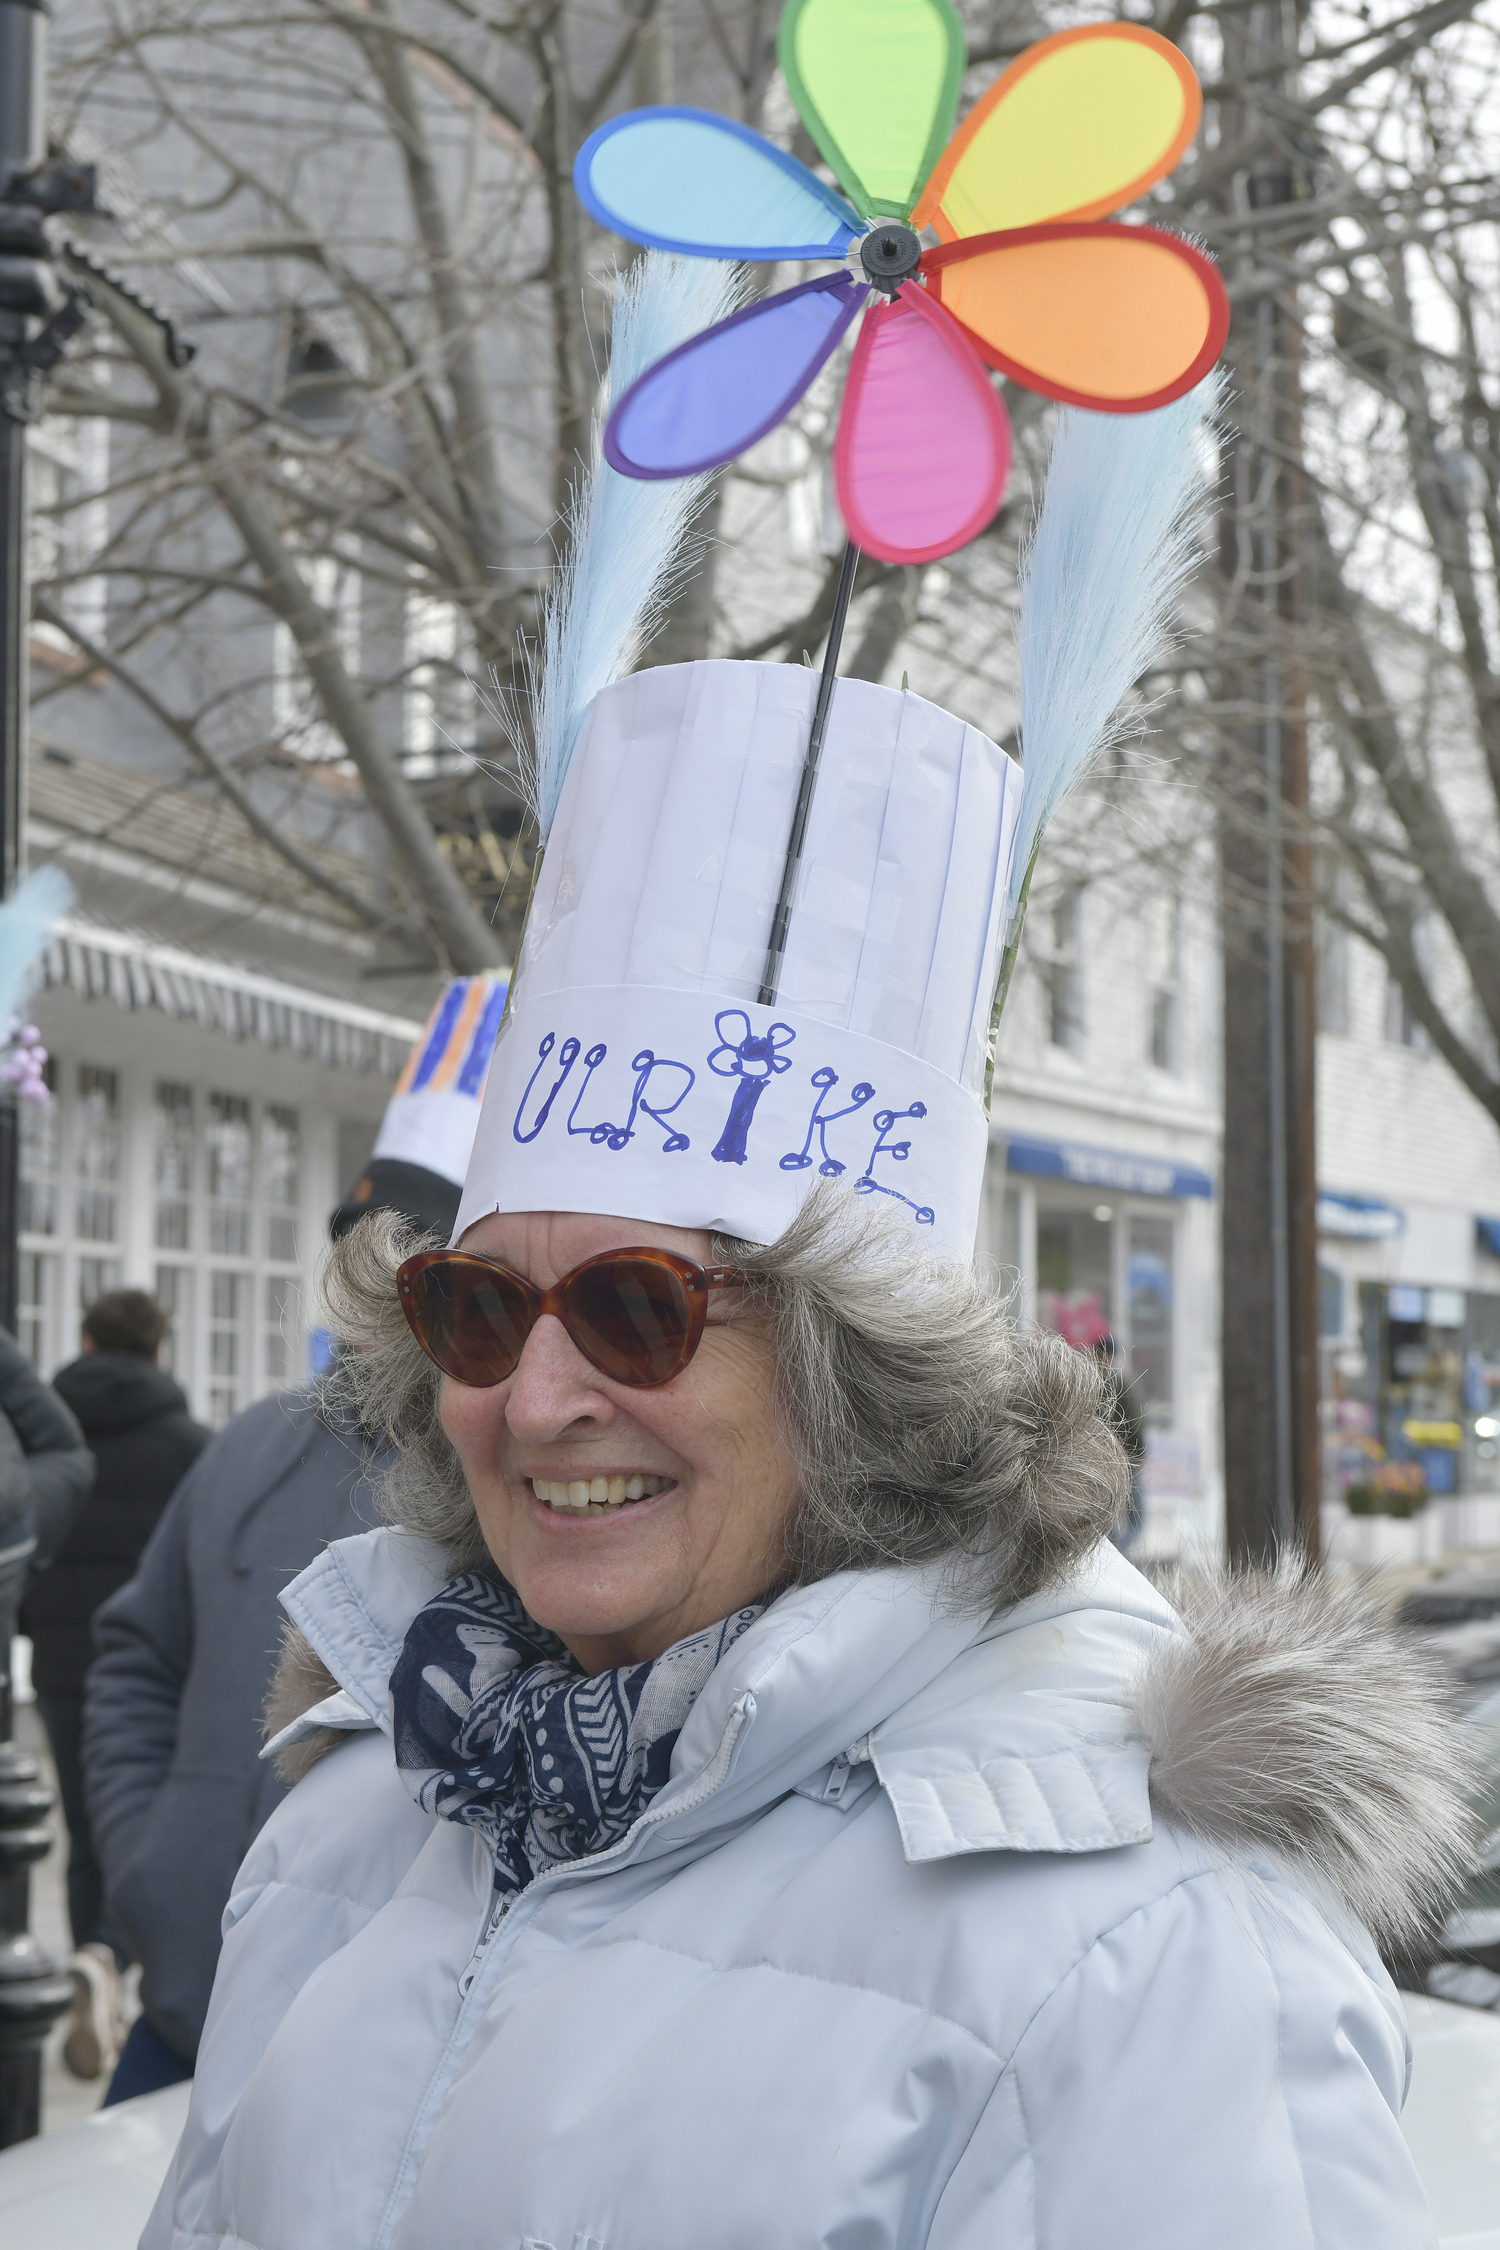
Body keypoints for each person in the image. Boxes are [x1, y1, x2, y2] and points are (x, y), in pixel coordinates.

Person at [144, 270, 1457, 2246]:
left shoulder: (1155, 1945)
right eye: (482, 1305)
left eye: (643, 1306)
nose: (537, 1390)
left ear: (864, 1373)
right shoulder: (362, 1799)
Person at [82, 975, 505, 2106]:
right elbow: (135, 1654)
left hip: (358, 2075)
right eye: (366, 1243)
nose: (384, 1278)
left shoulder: (524, 1485)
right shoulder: (251, 1446)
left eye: (423, 1252)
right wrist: (149, 1867)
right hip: (174, 2024)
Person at [20, 1289, 210, 2081]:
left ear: (88, 1340)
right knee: (148, 1814)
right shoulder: (193, 1446)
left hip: (66, 1659)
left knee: (85, 1823)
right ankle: (111, 1956)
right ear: (160, 1350)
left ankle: (95, 1961)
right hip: (159, 1666)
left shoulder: (52, 1436)